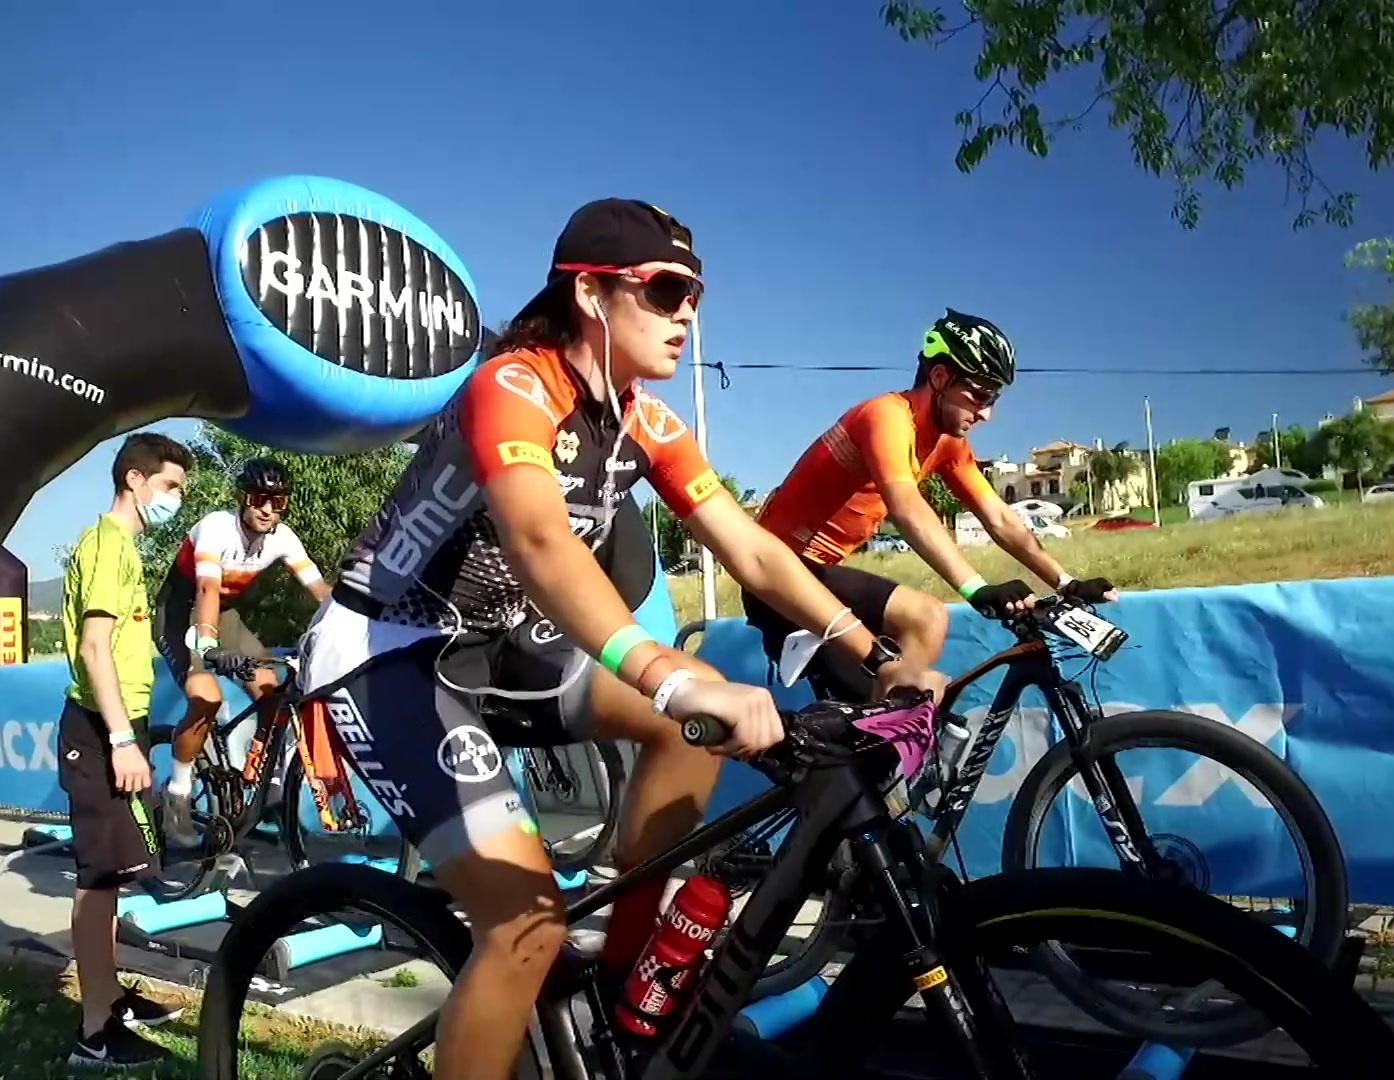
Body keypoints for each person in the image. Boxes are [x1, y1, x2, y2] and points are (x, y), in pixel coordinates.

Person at [297, 198, 946, 1080]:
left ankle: (622, 997)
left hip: (497, 643)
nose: (688, 315)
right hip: (389, 650)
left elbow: (755, 551)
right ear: (590, 294)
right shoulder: (513, 386)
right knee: (526, 927)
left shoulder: (645, 422)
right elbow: (541, 545)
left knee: (685, 728)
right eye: (667, 291)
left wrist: (876, 658)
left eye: (696, 296)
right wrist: (668, 677)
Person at [747, 308, 1118, 702]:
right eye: (979, 395)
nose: (987, 413)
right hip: (775, 573)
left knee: (898, 698)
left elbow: (999, 518)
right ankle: (891, 728)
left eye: (994, 398)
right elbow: (907, 508)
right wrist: (977, 590)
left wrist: (1064, 582)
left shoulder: (947, 444)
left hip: (815, 575)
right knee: (926, 618)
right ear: (939, 377)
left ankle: (893, 726)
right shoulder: (886, 416)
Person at [58, 431, 195, 1069]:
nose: (176, 500)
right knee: (97, 878)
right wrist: (119, 739)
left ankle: (110, 997)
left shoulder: (121, 547)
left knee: (113, 874)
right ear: (134, 480)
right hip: (98, 729)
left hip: (118, 724)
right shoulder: (109, 544)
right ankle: (95, 1032)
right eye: (170, 486)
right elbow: (94, 649)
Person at [152, 457, 330, 846]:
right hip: (182, 615)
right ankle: (177, 793)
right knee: (207, 698)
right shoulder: (216, 527)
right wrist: (207, 646)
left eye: (277, 502)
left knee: (272, 694)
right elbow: (206, 590)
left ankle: (268, 788)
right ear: (242, 498)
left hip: (226, 616)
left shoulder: (283, 538)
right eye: (258, 499)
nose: (267, 509)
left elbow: (321, 592)